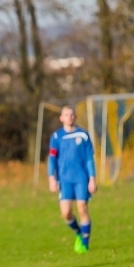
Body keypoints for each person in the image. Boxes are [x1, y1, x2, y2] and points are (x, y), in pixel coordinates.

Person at [47, 106, 97, 253]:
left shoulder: (83, 135)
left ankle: (85, 243)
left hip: (82, 178)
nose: (69, 117)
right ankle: (79, 232)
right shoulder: (57, 137)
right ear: (61, 118)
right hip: (65, 180)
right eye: (66, 115)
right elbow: (52, 159)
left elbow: (89, 159)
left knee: (82, 208)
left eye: (72, 114)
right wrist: (51, 177)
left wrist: (92, 178)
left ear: (75, 117)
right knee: (66, 213)